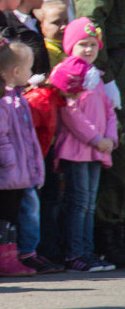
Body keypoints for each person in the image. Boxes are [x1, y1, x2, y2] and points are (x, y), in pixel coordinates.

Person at [71, 0, 125, 267]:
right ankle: (110, 237)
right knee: (115, 155)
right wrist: (105, 80)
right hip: (113, 70)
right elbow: (91, 29)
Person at [53, 21, 118, 272]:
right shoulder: (68, 71)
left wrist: (110, 138)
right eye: (83, 44)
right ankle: (75, 253)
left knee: (89, 203)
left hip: (96, 149)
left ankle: (87, 252)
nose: (89, 49)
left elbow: (109, 110)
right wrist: (95, 138)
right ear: (71, 46)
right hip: (76, 150)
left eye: (93, 45)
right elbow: (70, 112)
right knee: (79, 203)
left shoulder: (96, 75)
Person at [0, 41, 43, 277]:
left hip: (18, 173)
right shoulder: (2, 102)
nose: (31, 73)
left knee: (12, 216)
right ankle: (0, 257)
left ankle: (12, 255)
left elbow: (27, 137)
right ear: (17, 72)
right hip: (7, 172)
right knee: (3, 216)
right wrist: (10, 162)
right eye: (29, 68)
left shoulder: (19, 99)